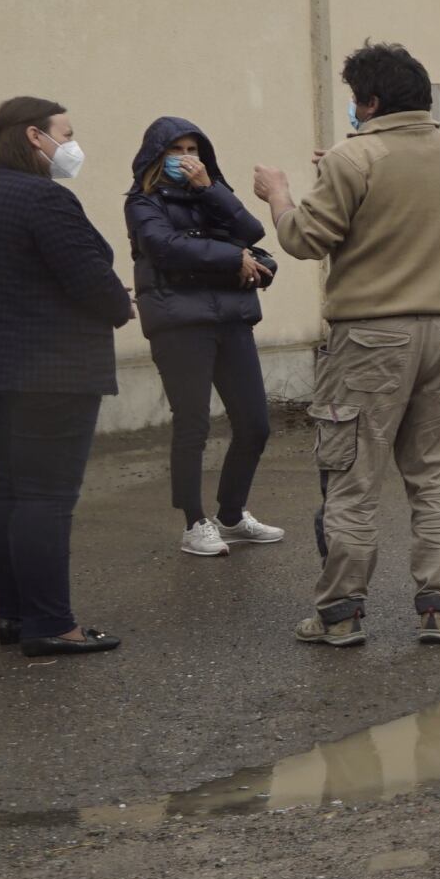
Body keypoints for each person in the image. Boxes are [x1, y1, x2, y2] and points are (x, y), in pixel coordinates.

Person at [253, 42, 440, 649]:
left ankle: (341, 615)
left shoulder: (354, 158)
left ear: (371, 102)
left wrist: (279, 193)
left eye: (356, 100)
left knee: (353, 479)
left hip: (371, 339)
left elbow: (304, 239)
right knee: (434, 477)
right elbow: (398, 206)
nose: (353, 109)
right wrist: (341, 170)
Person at [0, 96, 134, 657]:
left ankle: (14, 616)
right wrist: (121, 305)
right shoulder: (46, 198)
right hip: (53, 372)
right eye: (67, 133)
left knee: (10, 491)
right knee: (46, 498)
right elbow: (88, 277)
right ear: (35, 136)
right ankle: (52, 624)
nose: (72, 144)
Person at [125, 117, 286, 557]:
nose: (187, 159)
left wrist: (210, 189)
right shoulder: (142, 202)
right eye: (176, 150)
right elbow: (165, 247)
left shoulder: (212, 195)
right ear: (157, 156)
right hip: (179, 323)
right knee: (192, 423)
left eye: (193, 150)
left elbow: (251, 232)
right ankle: (194, 522)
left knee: (254, 424)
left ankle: (231, 515)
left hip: (230, 318)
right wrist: (232, 258)